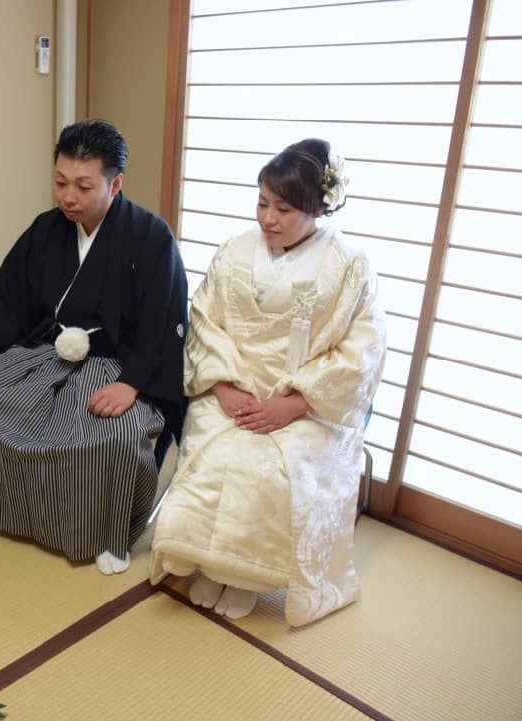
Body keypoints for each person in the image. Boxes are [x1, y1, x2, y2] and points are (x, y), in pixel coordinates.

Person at [149, 139, 386, 626]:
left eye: (283, 208)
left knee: (269, 471)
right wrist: (223, 386)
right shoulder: (234, 252)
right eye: (262, 203)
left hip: (307, 404)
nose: (268, 218)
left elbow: (361, 349)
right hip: (233, 388)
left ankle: (247, 577)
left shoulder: (350, 265)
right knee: (214, 454)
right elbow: (205, 321)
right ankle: (211, 563)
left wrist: (293, 404)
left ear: (318, 207)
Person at [0, 119, 188, 576]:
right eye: (60, 182)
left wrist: (132, 384)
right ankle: (12, 513)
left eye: (83, 186)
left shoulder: (151, 237)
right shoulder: (45, 230)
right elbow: (8, 296)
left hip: (117, 366)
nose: (67, 197)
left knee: (113, 435)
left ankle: (107, 534)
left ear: (115, 183)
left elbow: (165, 318)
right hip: (48, 354)